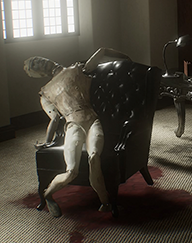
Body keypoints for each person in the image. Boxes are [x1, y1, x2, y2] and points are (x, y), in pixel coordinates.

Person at [23, 47, 129, 217]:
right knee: (72, 171)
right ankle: (48, 195)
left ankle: (105, 202)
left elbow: (101, 52)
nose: (39, 62)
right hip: (73, 125)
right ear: (38, 73)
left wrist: (125, 57)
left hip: (93, 121)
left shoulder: (77, 68)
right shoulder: (45, 92)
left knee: (94, 157)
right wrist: (47, 141)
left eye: (37, 59)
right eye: (34, 65)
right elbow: (54, 119)